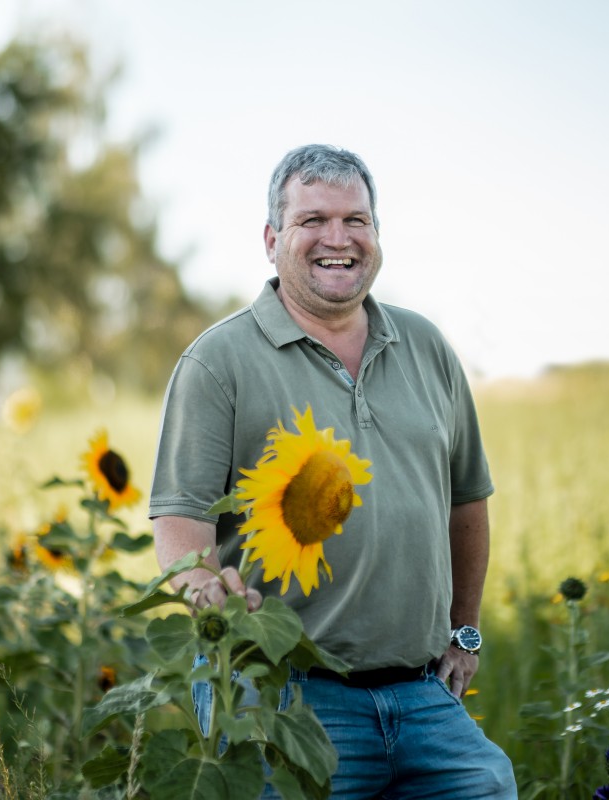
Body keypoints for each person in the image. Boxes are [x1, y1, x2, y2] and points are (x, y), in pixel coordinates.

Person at [149, 144, 517, 798]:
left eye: (356, 220)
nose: (338, 239)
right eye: (313, 220)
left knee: (488, 785)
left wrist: (465, 632)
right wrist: (207, 591)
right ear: (272, 240)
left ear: (377, 234)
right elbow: (181, 519)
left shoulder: (426, 347)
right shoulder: (218, 362)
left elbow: (466, 499)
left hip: (425, 696)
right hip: (284, 697)